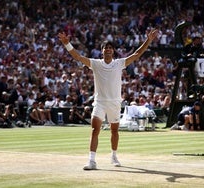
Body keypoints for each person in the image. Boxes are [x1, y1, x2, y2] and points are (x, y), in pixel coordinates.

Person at [58, 28, 158, 170]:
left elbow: (137, 54)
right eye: (106, 48)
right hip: (99, 103)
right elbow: (78, 57)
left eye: (110, 48)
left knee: (114, 131)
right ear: (102, 51)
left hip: (115, 103)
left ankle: (114, 156)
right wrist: (67, 44)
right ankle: (92, 161)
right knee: (94, 130)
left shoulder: (119, 63)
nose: (108, 50)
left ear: (113, 51)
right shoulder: (96, 64)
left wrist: (149, 40)